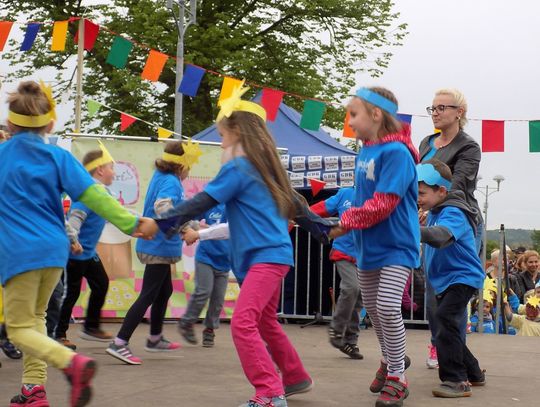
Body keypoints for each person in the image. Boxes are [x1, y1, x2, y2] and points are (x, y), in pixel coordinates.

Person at [0, 80, 157, 407]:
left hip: (19, 253)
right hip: (54, 252)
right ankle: (33, 390)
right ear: (50, 124)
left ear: (10, 123)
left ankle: (72, 364)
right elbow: (94, 195)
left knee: (18, 329)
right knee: (37, 317)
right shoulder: (59, 157)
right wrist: (131, 223)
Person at [156, 82, 313, 407]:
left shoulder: (239, 167)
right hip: (273, 257)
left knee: (243, 323)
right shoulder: (265, 170)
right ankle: (294, 376)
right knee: (264, 321)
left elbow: (202, 201)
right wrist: (325, 229)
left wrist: (164, 222)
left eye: (223, 135)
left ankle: (269, 393)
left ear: (238, 133)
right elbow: (300, 208)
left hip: (265, 259)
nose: (221, 142)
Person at [330, 87, 420, 407]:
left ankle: (397, 376)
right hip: (367, 246)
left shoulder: (396, 153)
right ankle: (390, 359)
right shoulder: (365, 151)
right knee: (374, 310)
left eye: (354, 114)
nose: (350, 121)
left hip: (397, 245)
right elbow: (360, 198)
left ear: (377, 114)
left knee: (387, 307)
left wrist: (345, 222)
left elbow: (383, 203)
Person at [106, 141, 188, 365]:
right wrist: (184, 227)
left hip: (157, 246)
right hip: (157, 247)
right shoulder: (171, 181)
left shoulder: (161, 176)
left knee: (165, 290)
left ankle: (154, 338)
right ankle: (119, 342)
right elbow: (162, 207)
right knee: (149, 294)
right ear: (183, 165)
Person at [419, 88, 481, 369]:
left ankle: (453, 361)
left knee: (454, 292)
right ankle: (446, 349)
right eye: (433, 108)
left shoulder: (469, 147)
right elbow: (418, 181)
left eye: (442, 107)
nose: (436, 113)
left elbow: (458, 185)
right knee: (434, 289)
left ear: (460, 112)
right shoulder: (426, 142)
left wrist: (429, 206)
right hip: (431, 216)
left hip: (458, 218)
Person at [416, 159, 485, 398]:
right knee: (447, 325)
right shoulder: (434, 212)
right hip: (446, 280)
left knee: (444, 319)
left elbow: (440, 236)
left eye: (421, 193)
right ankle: (474, 372)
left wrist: (411, 230)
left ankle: (456, 380)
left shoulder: (454, 212)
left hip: (462, 278)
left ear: (442, 191)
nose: (417, 198)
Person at [54, 146, 119, 350]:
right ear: (100, 170)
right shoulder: (88, 194)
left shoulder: (101, 192)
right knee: (69, 294)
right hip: (74, 253)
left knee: (101, 284)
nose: (114, 173)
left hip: (89, 254)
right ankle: (58, 334)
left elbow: (115, 213)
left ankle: (91, 326)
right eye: (111, 168)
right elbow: (75, 218)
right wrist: (73, 240)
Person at [310, 187, 363, 359]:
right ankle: (337, 328)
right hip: (343, 252)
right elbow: (316, 210)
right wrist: (298, 215)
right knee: (351, 288)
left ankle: (350, 341)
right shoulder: (345, 194)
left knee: (359, 297)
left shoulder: (378, 195)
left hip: (366, 256)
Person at [179, 204, 231, 348]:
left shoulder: (235, 207)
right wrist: (190, 229)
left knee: (218, 299)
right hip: (205, 257)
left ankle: (209, 329)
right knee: (203, 291)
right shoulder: (211, 204)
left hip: (225, 262)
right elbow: (190, 217)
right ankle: (187, 322)